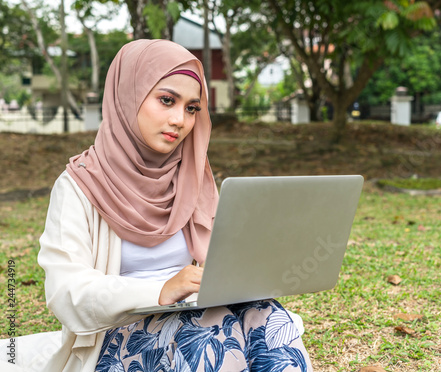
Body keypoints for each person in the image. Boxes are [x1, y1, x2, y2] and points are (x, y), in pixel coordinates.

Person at [37, 39, 313, 372]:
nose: (180, 119)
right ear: (128, 96)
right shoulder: (79, 185)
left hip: (196, 310)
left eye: (192, 108)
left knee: (272, 321)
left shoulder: (191, 176)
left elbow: (217, 261)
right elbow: (65, 293)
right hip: (117, 333)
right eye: (167, 100)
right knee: (212, 339)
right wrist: (161, 290)